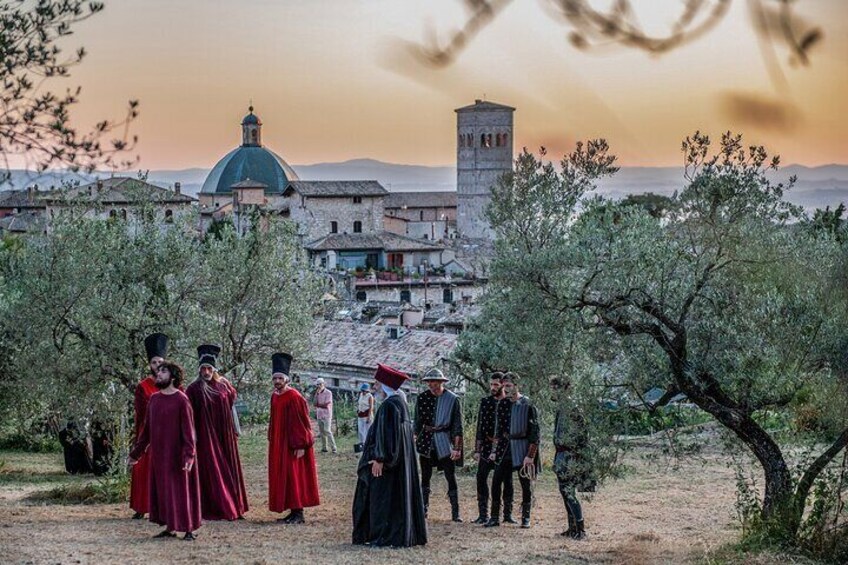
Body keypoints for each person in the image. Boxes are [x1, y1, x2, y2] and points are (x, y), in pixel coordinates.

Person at [352, 364, 427, 547]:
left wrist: (379, 458)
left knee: (382, 499)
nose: (375, 387)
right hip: (398, 463)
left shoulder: (389, 406)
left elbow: (387, 436)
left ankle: (385, 535)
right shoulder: (400, 404)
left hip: (387, 464)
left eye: (377, 383)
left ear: (385, 385)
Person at [128, 360, 202, 541]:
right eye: (158, 371)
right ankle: (170, 528)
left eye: (163, 372)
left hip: (178, 457)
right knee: (165, 492)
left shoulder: (181, 399)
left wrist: (188, 456)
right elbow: (146, 432)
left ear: (173, 377)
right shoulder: (154, 399)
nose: (158, 374)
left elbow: (189, 432)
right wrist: (135, 454)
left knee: (181, 492)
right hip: (160, 457)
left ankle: (188, 530)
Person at [186, 344, 248, 521]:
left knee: (229, 468)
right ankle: (216, 506)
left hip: (225, 435)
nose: (206, 371)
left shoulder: (224, 385)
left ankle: (235, 505)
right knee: (211, 471)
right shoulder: (194, 389)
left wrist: (235, 430)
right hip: (205, 438)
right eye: (203, 368)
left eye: (209, 368)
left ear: (214, 369)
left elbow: (231, 407)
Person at [268, 352, 320, 524]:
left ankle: (298, 512)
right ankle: (291, 510)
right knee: (284, 476)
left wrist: (301, 445)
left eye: (280, 378)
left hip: (293, 444)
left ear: (286, 379)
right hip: (279, 443)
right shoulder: (275, 396)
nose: (277, 381)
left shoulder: (295, 397)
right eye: (275, 378)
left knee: (294, 476)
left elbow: (302, 422)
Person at [487, 372, 540, 529]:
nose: (506, 389)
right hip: (505, 448)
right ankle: (495, 517)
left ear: (517, 386)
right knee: (496, 481)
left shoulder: (528, 404)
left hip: (523, 447)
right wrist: (494, 450)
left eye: (509, 386)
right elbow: (498, 430)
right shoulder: (502, 404)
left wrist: (530, 456)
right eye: (504, 386)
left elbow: (535, 433)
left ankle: (526, 517)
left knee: (525, 484)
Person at [414, 368, 464, 522]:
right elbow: (417, 422)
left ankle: (455, 513)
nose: (431, 384)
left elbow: (457, 425)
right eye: (429, 381)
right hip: (427, 440)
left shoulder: (453, 399)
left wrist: (457, 448)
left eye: (434, 381)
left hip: (444, 440)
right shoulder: (422, 398)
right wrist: (414, 437)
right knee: (425, 476)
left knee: (450, 475)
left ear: (441, 382)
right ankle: (423, 511)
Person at [130, 332, 168, 519]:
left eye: (160, 362)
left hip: (167, 436)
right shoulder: (143, 386)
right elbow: (139, 415)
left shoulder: (173, 384)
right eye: (154, 363)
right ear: (149, 365)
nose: (157, 366)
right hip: (148, 434)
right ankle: (142, 506)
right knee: (145, 470)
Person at [551, 376, 593, 539]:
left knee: (569, 491)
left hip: (571, 455)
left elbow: (583, 434)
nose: (553, 391)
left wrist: (577, 455)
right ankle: (572, 528)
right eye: (553, 388)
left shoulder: (572, 407)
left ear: (565, 388)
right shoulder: (561, 407)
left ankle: (581, 530)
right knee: (564, 490)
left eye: (556, 388)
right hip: (561, 454)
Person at [472, 371, 505, 524]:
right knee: (481, 477)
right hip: (486, 445)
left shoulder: (508, 402)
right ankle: (483, 514)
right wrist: (477, 450)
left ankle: (505, 514)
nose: (492, 387)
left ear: (502, 385)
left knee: (505, 481)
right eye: (491, 384)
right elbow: (480, 426)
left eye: (496, 385)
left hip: (503, 447)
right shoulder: (485, 402)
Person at [312, 378, 337, 454]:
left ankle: (334, 447)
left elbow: (326, 404)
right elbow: (314, 403)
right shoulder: (317, 393)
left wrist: (319, 405)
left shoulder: (328, 392)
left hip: (327, 414)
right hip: (319, 414)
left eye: (320, 384)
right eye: (318, 384)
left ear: (323, 384)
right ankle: (324, 448)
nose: (319, 386)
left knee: (327, 430)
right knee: (322, 432)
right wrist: (316, 394)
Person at [355, 383, 375, 452]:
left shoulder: (370, 396)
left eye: (364, 391)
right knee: (360, 431)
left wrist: (369, 416)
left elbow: (371, 407)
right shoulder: (360, 395)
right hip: (360, 415)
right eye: (362, 390)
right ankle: (361, 444)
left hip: (367, 415)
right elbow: (359, 403)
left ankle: (367, 445)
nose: (363, 392)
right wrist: (358, 410)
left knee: (366, 431)